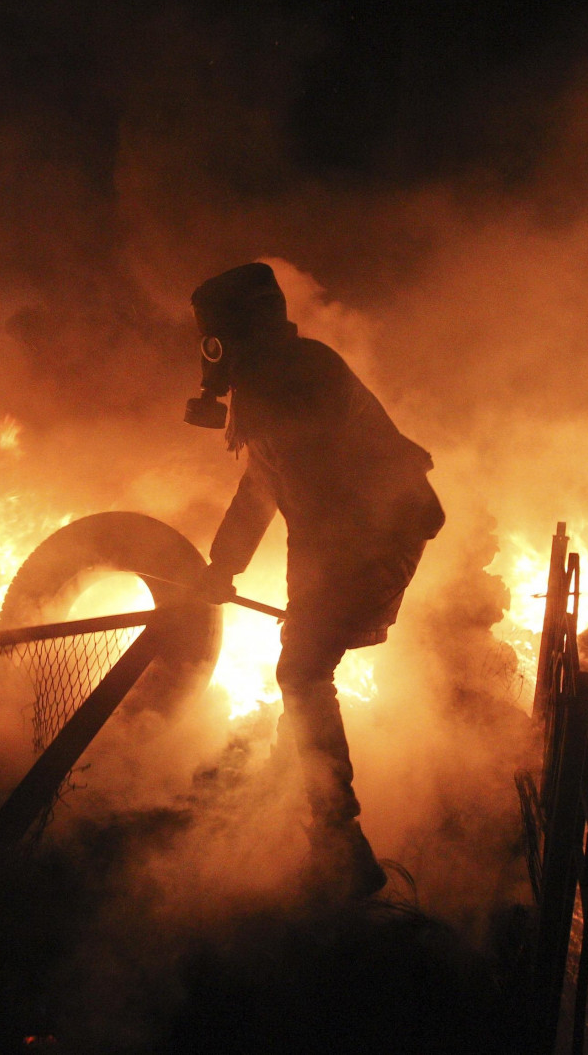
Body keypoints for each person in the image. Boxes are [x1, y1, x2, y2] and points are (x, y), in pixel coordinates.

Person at [183, 262, 445, 899]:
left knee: (301, 670)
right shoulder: (280, 374)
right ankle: (291, 773)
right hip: (350, 539)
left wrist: (308, 602)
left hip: (375, 538)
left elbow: (314, 499)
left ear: (232, 335)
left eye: (212, 341)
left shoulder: (295, 380)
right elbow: (268, 485)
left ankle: (338, 839)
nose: (207, 356)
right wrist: (225, 565)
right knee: (301, 659)